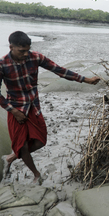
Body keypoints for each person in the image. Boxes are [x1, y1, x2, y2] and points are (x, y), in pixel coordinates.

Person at [0, 31, 100, 184]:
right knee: (23, 146)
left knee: (41, 141)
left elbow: (59, 70)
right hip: (16, 110)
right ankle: (36, 174)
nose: (26, 54)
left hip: (34, 107)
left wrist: (87, 80)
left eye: (28, 49)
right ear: (11, 47)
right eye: (22, 51)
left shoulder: (36, 57)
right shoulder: (2, 64)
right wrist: (13, 111)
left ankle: (11, 157)